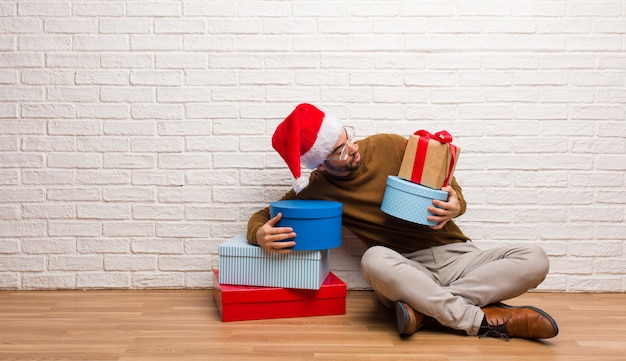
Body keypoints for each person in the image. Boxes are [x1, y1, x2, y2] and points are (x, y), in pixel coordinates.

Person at [246, 103, 558, 341]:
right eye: (339, 151)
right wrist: (260, 233)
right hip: (403, 269)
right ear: (321, 163)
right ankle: (479, 322)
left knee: (535, 258)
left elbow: (447, 181)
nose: (352, 149)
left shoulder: (389, 145)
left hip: (457, 256)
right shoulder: (319, 189)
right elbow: (266, 215)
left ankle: (426, 311)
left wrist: (454, 203)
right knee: (372, 259)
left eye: (347, 138)